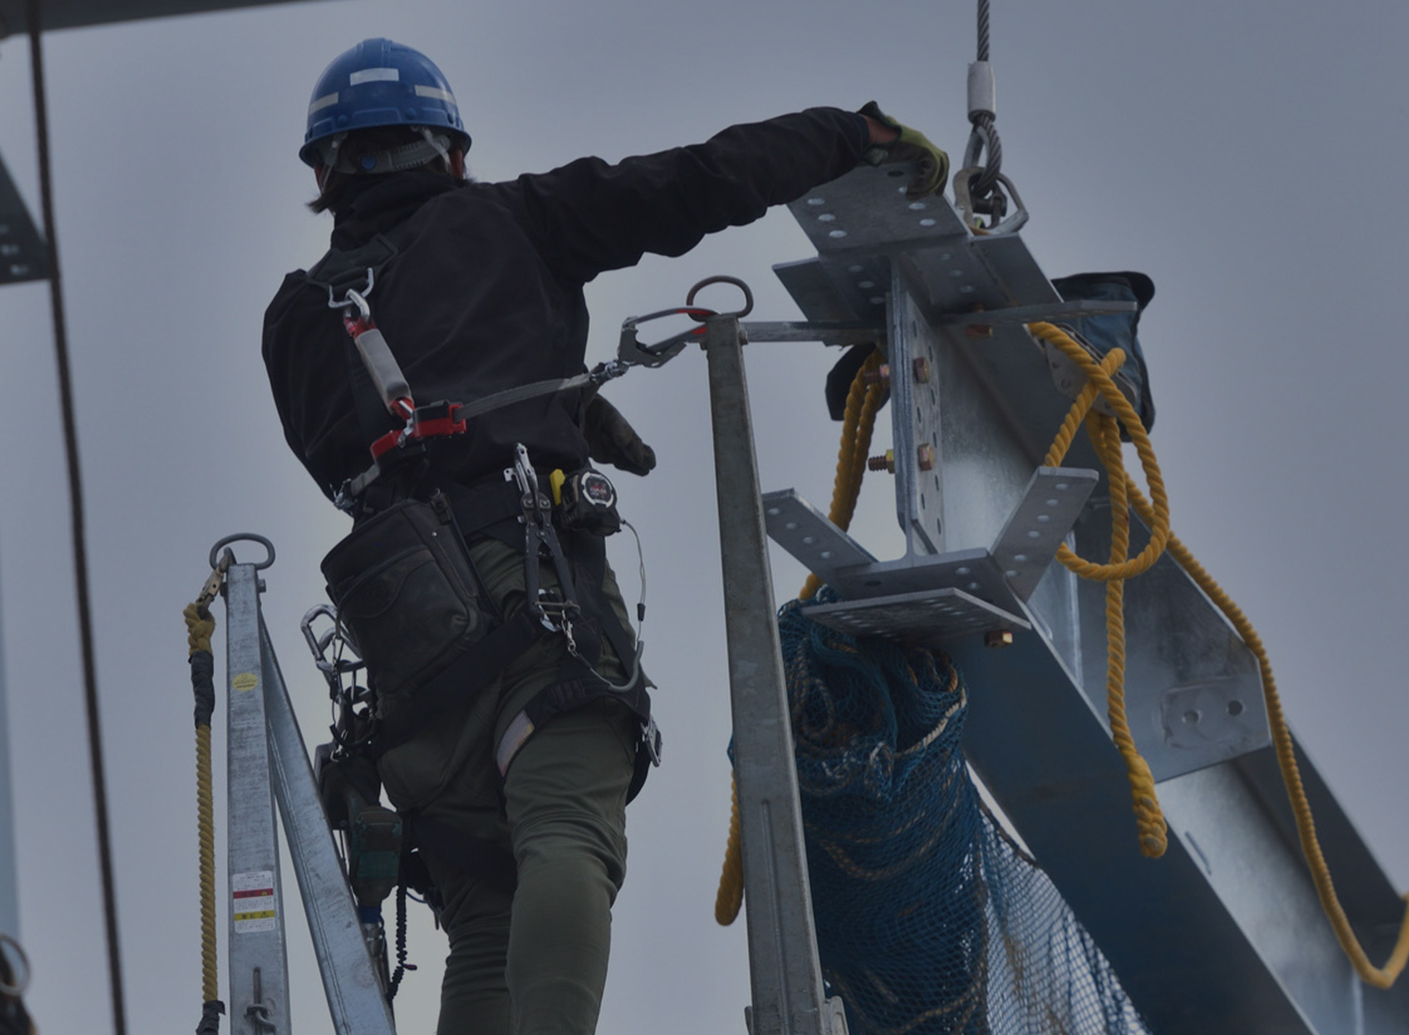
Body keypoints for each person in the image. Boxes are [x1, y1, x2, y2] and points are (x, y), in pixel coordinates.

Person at [260, 37, 944, 1035]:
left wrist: (557, 410)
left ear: (325, 174)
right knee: (565, 839)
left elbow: (357, 454)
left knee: (487, 927)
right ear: (448, 151)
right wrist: (853, 135)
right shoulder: (509, 221)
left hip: (401, 648)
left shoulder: (294, 318)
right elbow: (699, 182)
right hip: (527, 597)